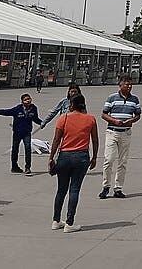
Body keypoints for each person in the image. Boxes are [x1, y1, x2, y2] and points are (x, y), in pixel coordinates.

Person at [48, 94, 99, 232]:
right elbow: (94, 139)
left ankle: (56, 220)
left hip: (64, 156)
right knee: (74, 189)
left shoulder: (63, 118)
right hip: (81, 157)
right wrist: (94, 157)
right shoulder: (91, 119)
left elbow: (56, 140)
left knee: (61, 190)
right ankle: (69, 223)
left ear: (71, 105)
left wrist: (51, 157)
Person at [100, 75, 141, 198]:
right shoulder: (112, 98)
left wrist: (131, 120)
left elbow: (138, 115)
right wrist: (113, 120)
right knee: (109, 159)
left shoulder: (134, 99)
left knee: (123, 161)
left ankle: (118, 188)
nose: (129, 86)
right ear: (120, 85)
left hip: (126, 133)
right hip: (112, 132)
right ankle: (106, 186)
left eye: (130, 84)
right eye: (126, 84)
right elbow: (104, 114)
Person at [0, 93, 43, 175]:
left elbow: (35, 118)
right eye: (26, 99)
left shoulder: (33, 108)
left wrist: (42, 123)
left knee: (28, 148)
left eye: (29, 99)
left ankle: (27, 167)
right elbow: (6, 112)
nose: (28, 101)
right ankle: (14, 166)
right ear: (22, 101)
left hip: (27, 132)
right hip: (17, 133)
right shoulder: (17, 109)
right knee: (15, 149)